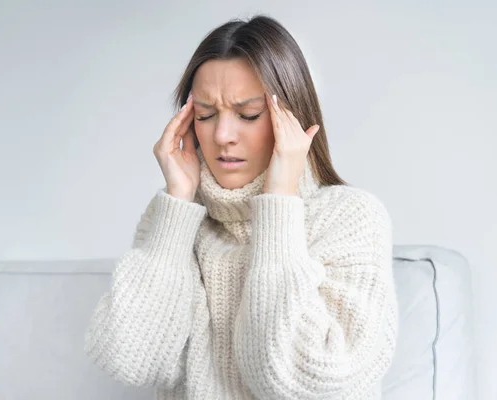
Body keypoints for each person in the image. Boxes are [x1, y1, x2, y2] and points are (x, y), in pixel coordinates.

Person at [84, 14, 399, 400]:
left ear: (293, 117)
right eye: (205, 114)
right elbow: (130, 360)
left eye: (248, 115)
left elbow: (302, 379)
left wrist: (279, 201)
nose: (223, 136)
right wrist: (178, 204)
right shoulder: (172, 216)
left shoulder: (350, 217)